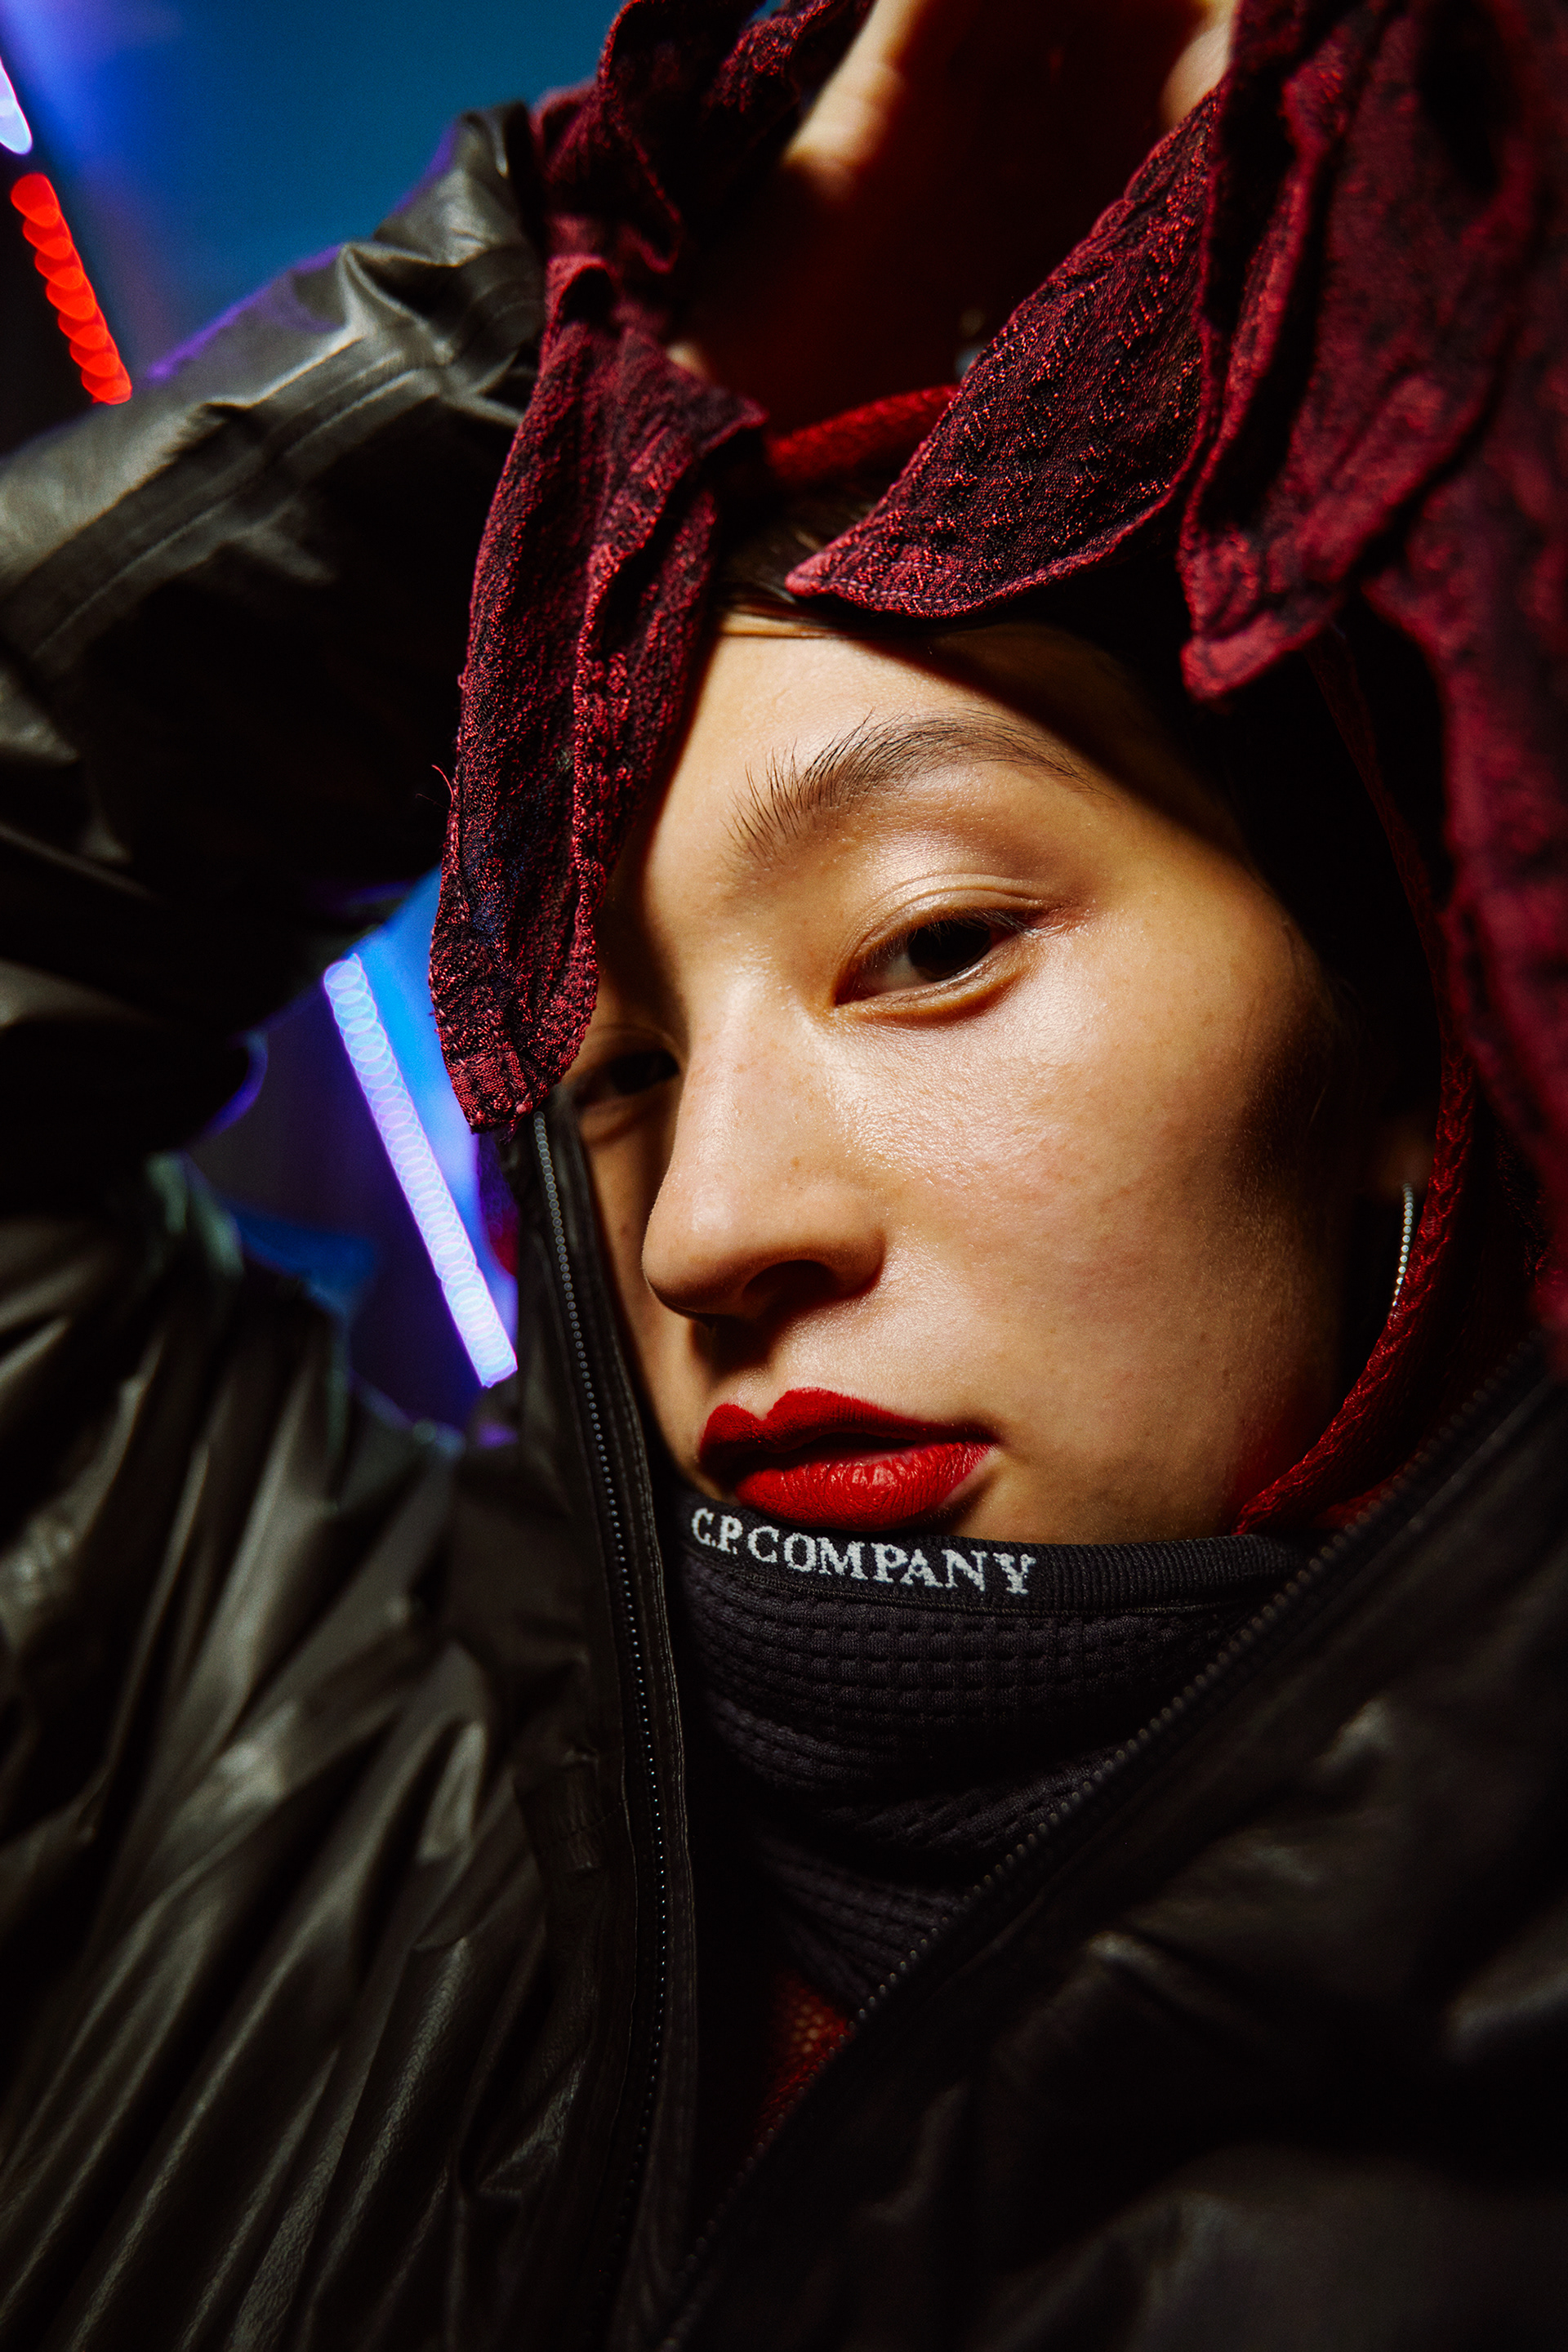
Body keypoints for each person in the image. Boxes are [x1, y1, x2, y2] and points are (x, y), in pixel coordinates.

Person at [2, 2, 1566, 2349]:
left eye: (930, 947)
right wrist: (593, 351)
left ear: (1396, 1037)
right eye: (610, 1070)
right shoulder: (262, 1758)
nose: (709, 1228)